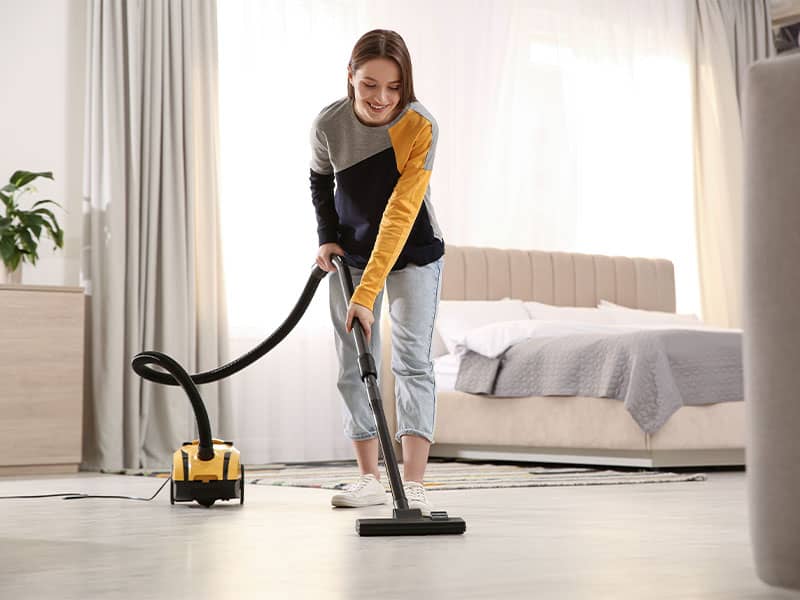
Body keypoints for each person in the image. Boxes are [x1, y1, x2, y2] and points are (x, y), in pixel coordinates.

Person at [309, 29, 443, 516]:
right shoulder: (329, 123)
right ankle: (368, 479)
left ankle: (415, 483)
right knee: (353, 361)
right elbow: (320, 182)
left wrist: (365, 294)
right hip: (352, 255)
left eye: (394, 86)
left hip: (413, 250)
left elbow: (400, 213)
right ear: (351, 76)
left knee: (411, 361)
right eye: (369, 85)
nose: (382, 98)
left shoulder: (419, 124)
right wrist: (327, 237)